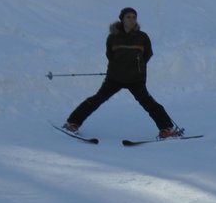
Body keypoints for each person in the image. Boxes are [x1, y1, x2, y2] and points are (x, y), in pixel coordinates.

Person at [62, 7, 184, 138]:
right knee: (97, 99)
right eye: (128, 17)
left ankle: (166, 129)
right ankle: (72, 123)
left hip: (136, 79)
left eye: (134, 17)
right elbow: (110, 55)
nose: (132, 20)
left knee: (149, 103)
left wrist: (137, 67)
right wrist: (120, 67)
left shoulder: (142, 37)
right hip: (115, 77)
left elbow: (147, 55)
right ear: (122, 19)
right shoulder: (113, 37)